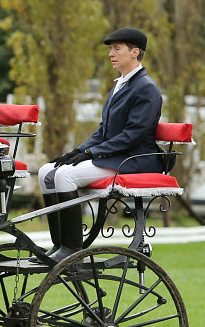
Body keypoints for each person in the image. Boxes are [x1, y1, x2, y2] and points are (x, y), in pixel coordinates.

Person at [36, 27, 163, 262]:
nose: (111, 54)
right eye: (111, 49)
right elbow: (103, 131)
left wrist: (92, 153)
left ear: (135, 52)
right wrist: (78, 151)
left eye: (117, 49)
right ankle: (59, 244)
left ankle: (73, 250)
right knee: (47, 172)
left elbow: (132, 136)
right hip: (115, 155)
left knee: (65, 177)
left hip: (132, 159)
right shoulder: (120, 85)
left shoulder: (146, 88)